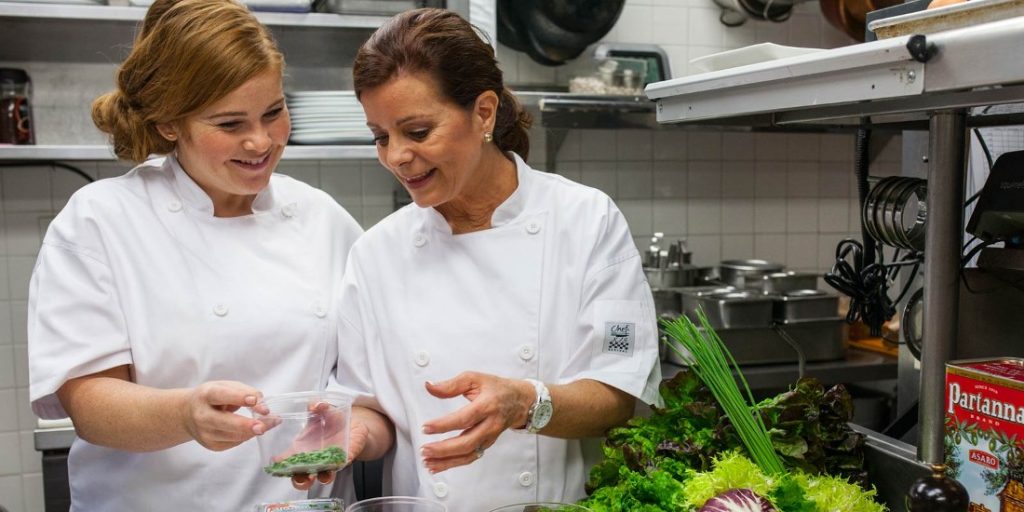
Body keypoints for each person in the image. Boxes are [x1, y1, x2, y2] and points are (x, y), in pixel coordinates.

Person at [26, 0, 391, 509]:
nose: (260, 141)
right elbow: (89, 403)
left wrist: (344, 435)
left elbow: (365, 384)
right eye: (229, 124)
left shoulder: (322, 219)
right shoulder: (100, 222)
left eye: (274, 112)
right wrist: (185, 414)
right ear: (171, 123)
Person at [332, 8, 662, 509]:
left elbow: (618, 396)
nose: (396, 155)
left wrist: (524, 403)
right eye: (381, 136)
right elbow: (368, 408)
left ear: (483, 112)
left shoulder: (583, 219)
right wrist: (351, 437)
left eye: (417, 132)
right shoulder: (375, 253)